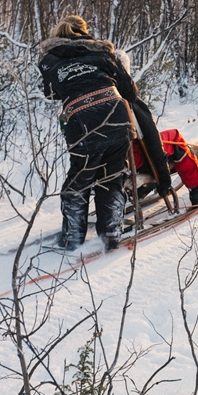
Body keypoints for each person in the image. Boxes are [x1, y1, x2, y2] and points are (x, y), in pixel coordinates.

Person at [38, 15, 137, 251]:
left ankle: (73, 236)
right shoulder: (103, 53)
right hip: (117, 116)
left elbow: (50, 93)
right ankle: (111, 232)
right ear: (84, 31)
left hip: (81, 120)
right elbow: (129, 92)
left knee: (79, 179)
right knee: (112, 177)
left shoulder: (50, 61)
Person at [128, 98, 198, 206]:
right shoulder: (123, 96)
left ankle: (143, 188)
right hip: (132, 159)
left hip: (113, 163)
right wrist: (163, 177)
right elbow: (150, 133)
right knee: (174, 137)